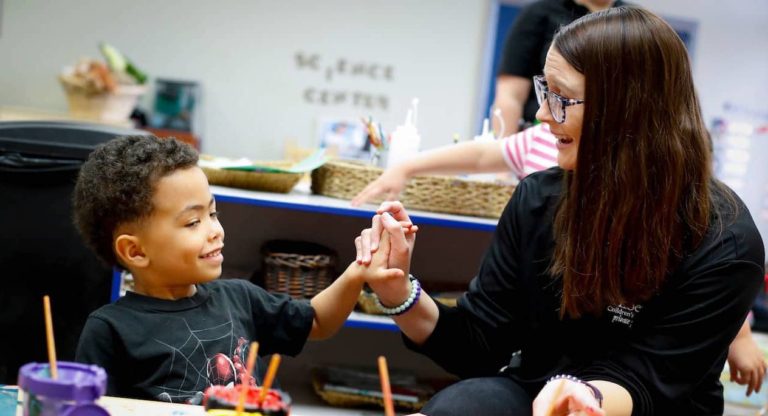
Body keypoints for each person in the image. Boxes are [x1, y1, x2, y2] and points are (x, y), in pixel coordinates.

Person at [355, 7, 765, 415]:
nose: (542, 114)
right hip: (539, 391)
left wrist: (582, 398)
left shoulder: (724, 240)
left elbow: (650, 381)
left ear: (629, 107)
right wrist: (398, 292)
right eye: (544, 91)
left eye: (563, 98)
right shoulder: (539, 200)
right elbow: (478, 345)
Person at [72, 135, 405, 403]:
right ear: (135, 250)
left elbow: (317, 320)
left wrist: (357, 272)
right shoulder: (110, 331)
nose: (215, 230)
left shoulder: (239, 298)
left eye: (213, 214)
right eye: (192, 222)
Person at [493, 0, 623, 135]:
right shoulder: (540, 13)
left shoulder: (631, 21)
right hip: (543, 132)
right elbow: (510, 95)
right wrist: (504, 146)